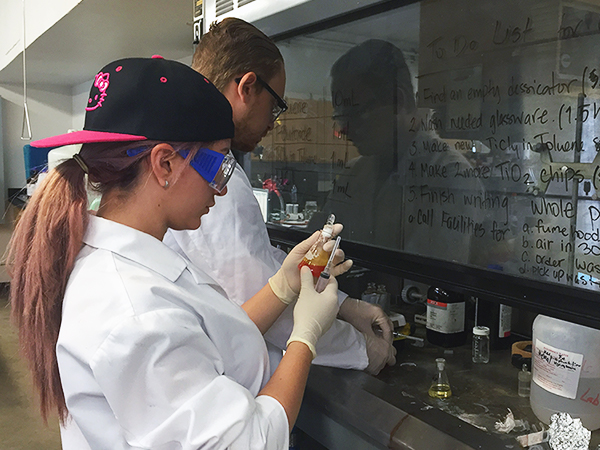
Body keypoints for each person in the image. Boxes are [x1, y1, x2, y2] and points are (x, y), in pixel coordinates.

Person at [8, 56, 352, 449]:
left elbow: (204, 339)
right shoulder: (133, 312)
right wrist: (305, 337)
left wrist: (282, 287)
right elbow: (250, 441)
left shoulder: (130, 254)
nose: (220, 189)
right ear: (165, 163)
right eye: (217, 163)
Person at [163, 18, 396, 376]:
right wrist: (364, 350)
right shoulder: (210, 177)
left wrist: (347, 306)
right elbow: (263, 303)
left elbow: (257, 259)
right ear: (247, 87)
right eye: (274, 106)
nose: (274, 122)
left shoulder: (197, 162)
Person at [314, 39, 485, 263]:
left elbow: (431, 280)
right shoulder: (354, 172)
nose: (344, 129)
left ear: (399, 100)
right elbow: (318, 244)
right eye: (341, 117)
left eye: (355, 113)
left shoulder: (451, 175)